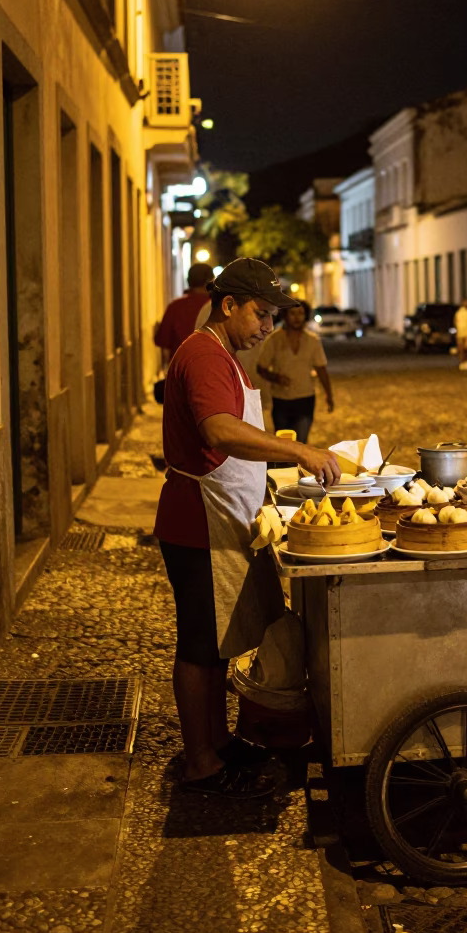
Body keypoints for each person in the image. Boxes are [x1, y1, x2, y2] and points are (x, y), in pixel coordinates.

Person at [153, 258, 340, 798]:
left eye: (275, 317)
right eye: (261, 314)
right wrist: (298, 450)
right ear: (228, 305)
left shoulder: (223, 353)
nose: (268, 327)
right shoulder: (206, 355)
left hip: (221, 517)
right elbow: (219, 430)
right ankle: (200, 763)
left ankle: (216, 743)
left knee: (215, 645)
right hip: (198, 523)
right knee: (197, 644)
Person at [256, 301, 334, 443]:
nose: (297, 317)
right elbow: (261, 368)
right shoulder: (274, 340)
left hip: (305, 399)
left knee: (301, 441)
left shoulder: (313, 341)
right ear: (285, 315)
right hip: (281, 400)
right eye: (293, 313)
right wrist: (276, 378)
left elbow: (321, 369)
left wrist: (329, 394)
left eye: (301, 313)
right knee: (283, 444)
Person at [154, 263, 215, 363]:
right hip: (211, 368)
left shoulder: (174, 307)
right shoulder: (215, 307)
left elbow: (163, 342)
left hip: (180, 370)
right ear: (208, 283)